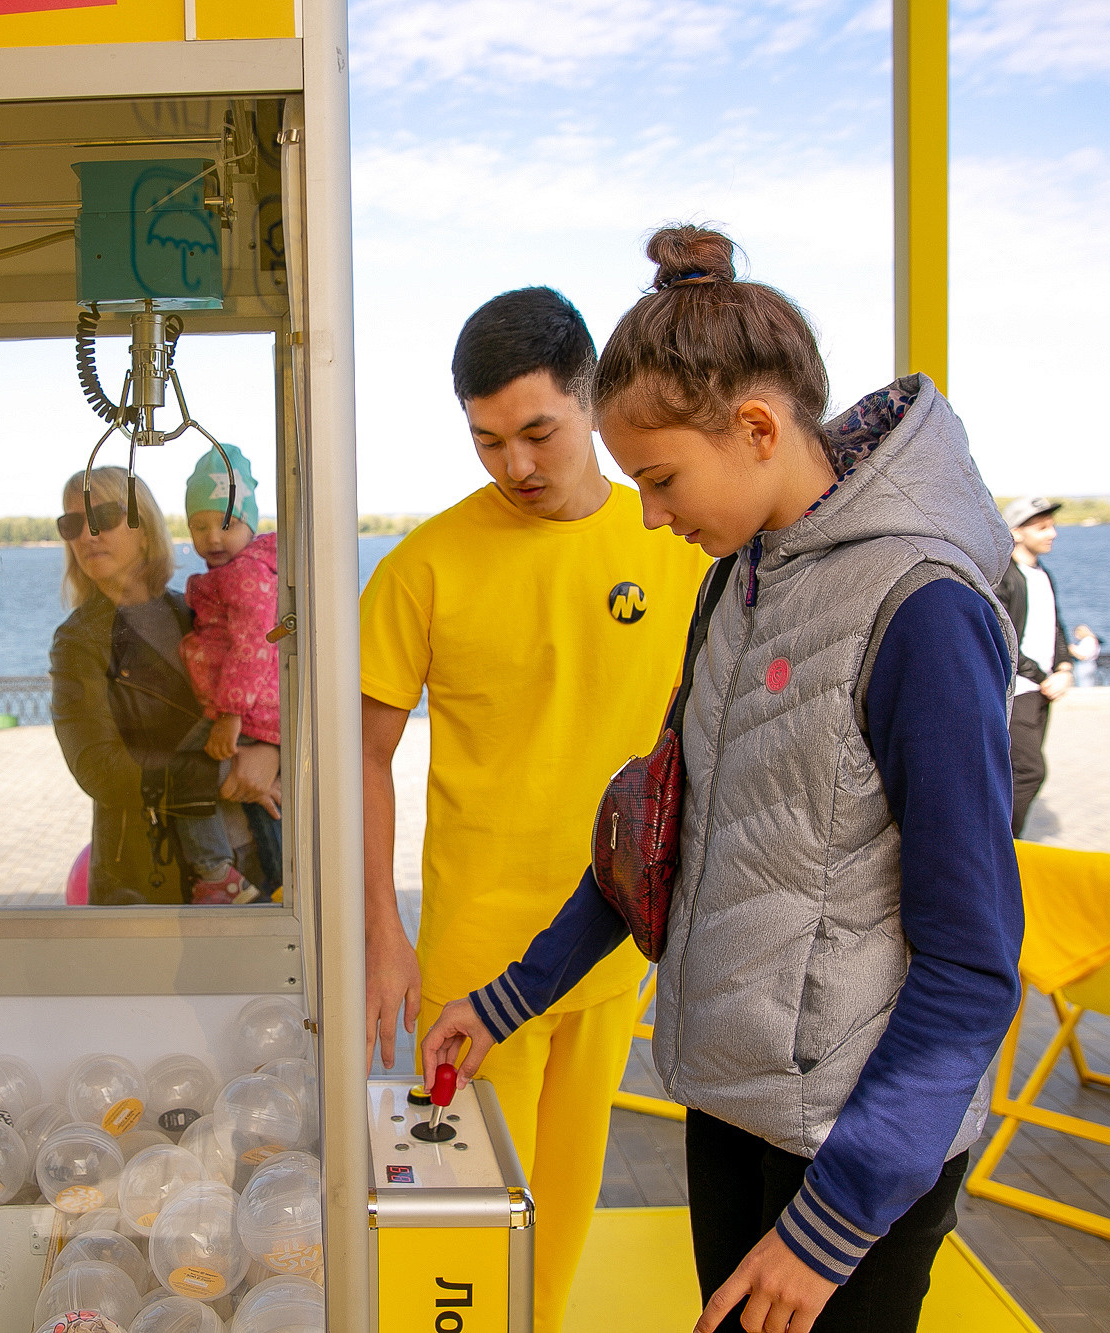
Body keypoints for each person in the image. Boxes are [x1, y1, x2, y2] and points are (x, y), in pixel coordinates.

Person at [421, 226, 1022, 1333]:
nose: (647, 513)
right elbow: (660, 837)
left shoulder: (922, 608)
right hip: (733, 1103)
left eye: (658, 478)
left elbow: (974, 965)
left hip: (854, 1150)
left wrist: (834, 1218)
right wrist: (504, 999)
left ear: (754, 427)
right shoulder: (733, 582)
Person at [359, 286, 711, 1333]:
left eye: (536, 433)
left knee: (562, 1213)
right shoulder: (421, 565)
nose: (513, 464)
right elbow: (363, 762)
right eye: (485, 441)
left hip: (609, 949)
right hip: (475, 963)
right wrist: (384, 931)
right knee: (460, 1229)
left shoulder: (675, 540)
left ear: (590, 400)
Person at [50, 467, 280, 905]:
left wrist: (272, 752)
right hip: (155, 875)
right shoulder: (78, 642)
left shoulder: (196, 609)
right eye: (73, 523)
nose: (87, 534)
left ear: (145, 530)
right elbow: (99, 768)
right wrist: (228, 771)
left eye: (105, 516)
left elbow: (264, 688)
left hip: (255, 858)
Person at [179, 443, 282, 905]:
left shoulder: (245, 575)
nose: (213, 537)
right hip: (248, 713)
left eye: (227, 523)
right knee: (261, 800)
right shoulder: (235, 574)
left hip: (248, 713)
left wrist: (231, 714)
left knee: (190, 769)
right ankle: (280, 881)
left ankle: (214, 869)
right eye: (200, 526)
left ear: (249, 524)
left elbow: (254, 643)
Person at [995, 497, 1074, 836]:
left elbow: (1055, 626)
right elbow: (1003, 638)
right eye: (1041, 527)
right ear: (1015, 532)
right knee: (1028, 770)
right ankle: (1008, 847)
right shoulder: (1005, 578)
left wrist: (1066, 666)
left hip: (1042, 689)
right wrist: (1043, 677)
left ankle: (1006, 848)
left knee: (1016, 772)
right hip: (1019, 691)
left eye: (1051, 525)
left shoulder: (1042, 574)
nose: (1051, 533)